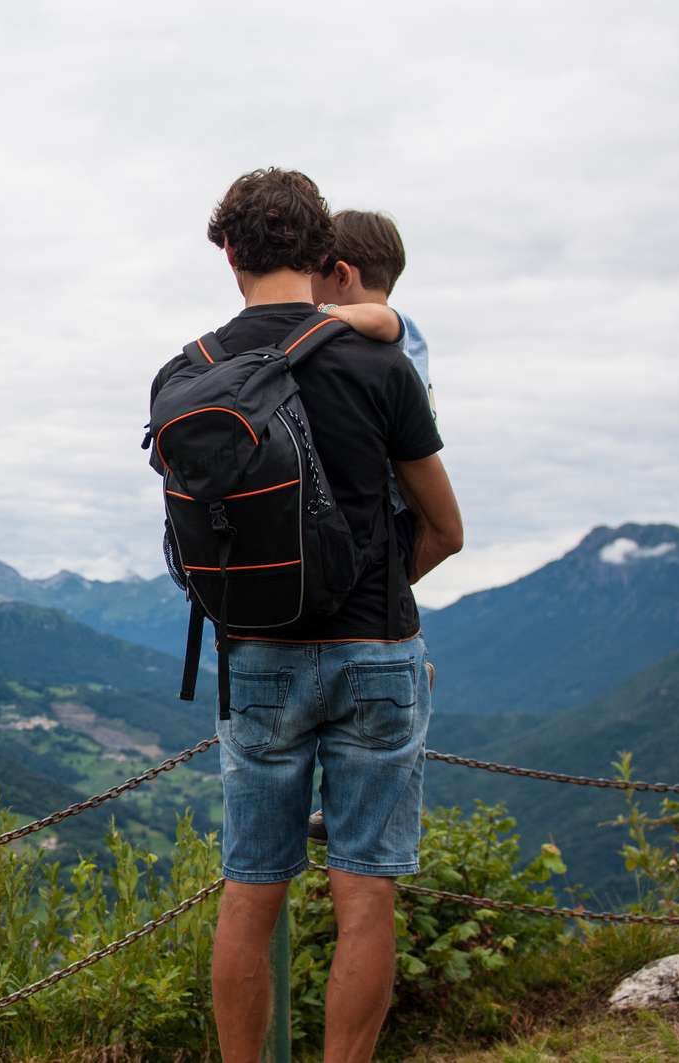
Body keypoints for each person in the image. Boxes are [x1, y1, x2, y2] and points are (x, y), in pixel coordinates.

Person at [148, 168, 463, 1063]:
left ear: (228, 252)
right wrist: (381, 589)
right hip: (378, 649)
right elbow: (447, 525)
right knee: (367, 897)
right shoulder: (376, 360)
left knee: (250, 890)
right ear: (323, 253)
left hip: (258, 659)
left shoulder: (192, 373)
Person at [311, 210, 434, 419]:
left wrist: (323, 312)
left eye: (311, 280)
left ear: (342, 276)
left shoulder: (395, 324)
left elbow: (382, 320)